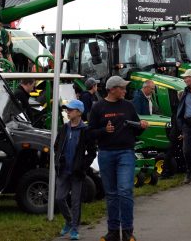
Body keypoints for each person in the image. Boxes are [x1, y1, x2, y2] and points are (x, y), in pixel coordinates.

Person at [89, 75, 149, 241]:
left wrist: (142, 126)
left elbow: (135, 128)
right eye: (122, 88)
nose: (124, 90)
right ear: (112, 89)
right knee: (111, 193)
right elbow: (90, 132)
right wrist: (103, 131)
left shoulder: (128, 106)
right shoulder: (98, 107)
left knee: (125, 190)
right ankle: (113, 231)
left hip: (126, 153)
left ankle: (128, 231)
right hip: (106, 153)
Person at [55, 100, 97, 241]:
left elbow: (92, 152)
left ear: (79, 112)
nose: (68, 112)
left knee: (75, 201)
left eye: (71, 110)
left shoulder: (86, 130)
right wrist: (57, 160)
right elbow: (57, 146)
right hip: (63, 170)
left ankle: (74, 228)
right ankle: (68, 220)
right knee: (59, 198)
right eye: (67, 110)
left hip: (77, 172)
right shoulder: (64, 128)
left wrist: (82, 166)